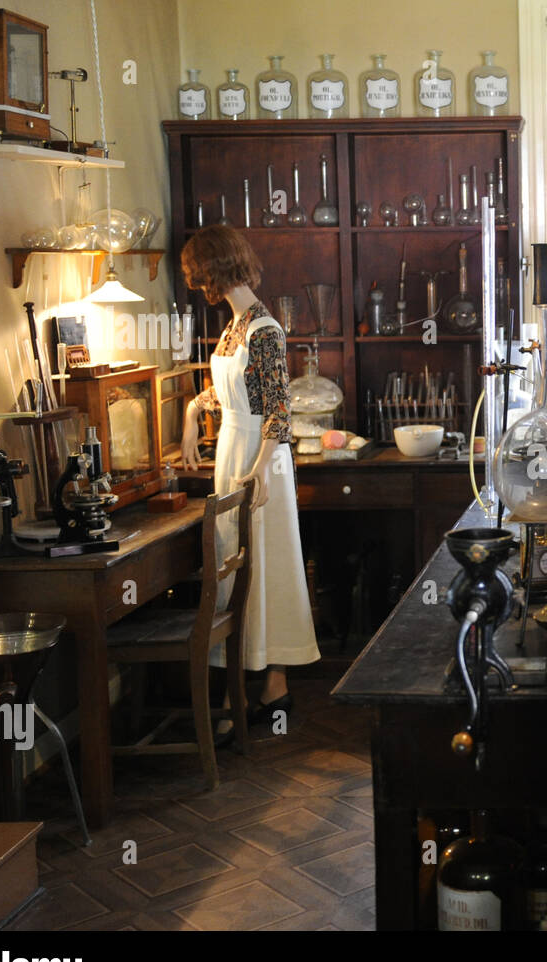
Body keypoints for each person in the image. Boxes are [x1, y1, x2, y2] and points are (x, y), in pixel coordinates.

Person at [179, 225, 319, 742]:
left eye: (199, 275)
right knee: (237, 569)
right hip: (233, 453)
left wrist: (259, 469)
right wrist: (192, 411)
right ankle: (262, 689)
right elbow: (229, 394)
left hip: (261, 461)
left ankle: (261, 687)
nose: (199, 285)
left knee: (265, 566)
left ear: (215, 270)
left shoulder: (264, 329)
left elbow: (277, 411)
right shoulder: (233, 327)